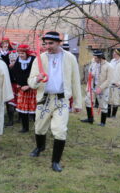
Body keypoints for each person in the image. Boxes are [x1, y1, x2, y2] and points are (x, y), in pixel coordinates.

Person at [28, 31, 82, 172]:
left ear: (59, 42)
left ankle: (55, 161)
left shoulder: (69, 58)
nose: (48, 46)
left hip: (61, 100)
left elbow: (76, 81)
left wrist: (77, 103)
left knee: (60, 131)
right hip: (44, 99)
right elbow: (31, 82)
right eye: (45, 43)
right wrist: (37, 79)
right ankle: (40, 147)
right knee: (39, 128)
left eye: (51, 43)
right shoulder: (39, 58)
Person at [81, 50, 113, 127]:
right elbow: (90, 71)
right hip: (92, 87)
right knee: (87, 100)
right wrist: (91, 75)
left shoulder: (109, 66)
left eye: (96, 58)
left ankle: (103, 123)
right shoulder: (94, 63)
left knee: (103, 105)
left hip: (103, 89)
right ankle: (90, 119)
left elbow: (109, 80)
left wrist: (101, 88)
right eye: (94, 58)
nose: (94, 60)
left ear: (100, 57)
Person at [11, 44, 36, 132]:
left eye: (22, 53)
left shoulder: (33, 60)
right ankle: (25, 128)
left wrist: (29, 86)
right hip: (22, 89)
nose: (21, 55)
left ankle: (38, 128)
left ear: (27, 53)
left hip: (32, 88)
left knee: (34, 110)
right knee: (22, 110)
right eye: (19, 53)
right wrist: (18, 83)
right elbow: (16, 73)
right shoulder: (18, 60)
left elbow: (36, 75)